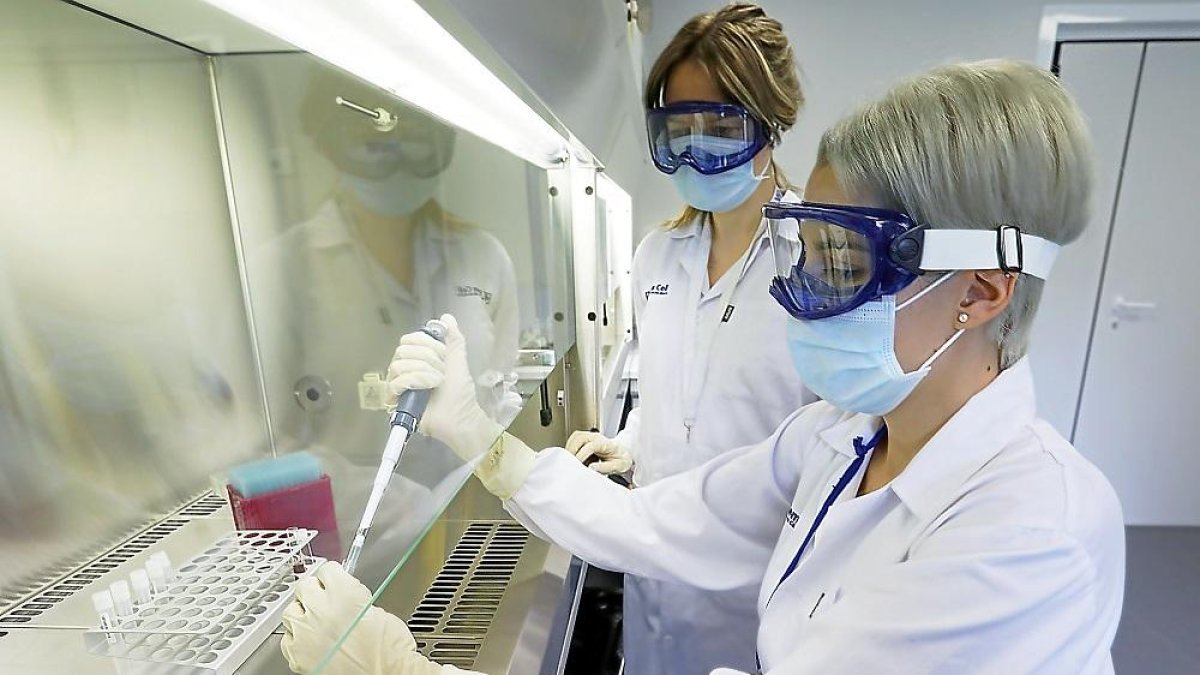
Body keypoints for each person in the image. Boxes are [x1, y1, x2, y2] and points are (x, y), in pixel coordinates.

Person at [281, 59, 1126, 674]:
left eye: (844, 260)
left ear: (979, 291)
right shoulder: (840, 439)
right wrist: (478, 436)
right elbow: (658, 523)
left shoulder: (1031, 531)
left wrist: (402, 669)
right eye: (808, 249)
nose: (801, 292)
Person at [564, 4, 813, 671]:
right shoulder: (657, 256)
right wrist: (632, 439)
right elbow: (678, 391)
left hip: (756, 596)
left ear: (772, 120)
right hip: (654, 580)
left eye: (721, 126)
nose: (696, 147)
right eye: (679, 127)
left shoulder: (817, 264)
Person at [251, 66, 522, 583]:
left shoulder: (484, 258)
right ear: (330, 143)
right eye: (370, 144)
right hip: (354, 558)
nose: (395, 160)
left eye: (417, 141)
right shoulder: (281, 269)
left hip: (479, 541)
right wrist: (417, 511)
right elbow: (268, 444)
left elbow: (500, 396)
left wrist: (490, 494)